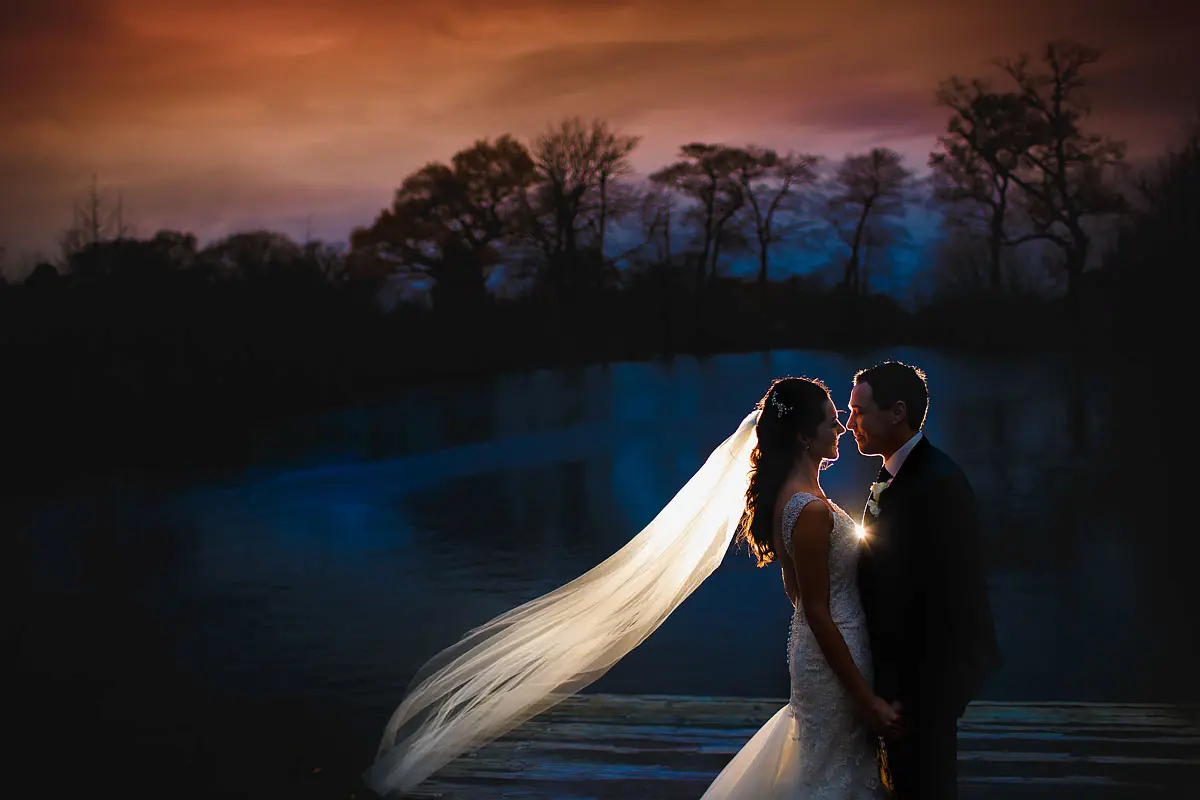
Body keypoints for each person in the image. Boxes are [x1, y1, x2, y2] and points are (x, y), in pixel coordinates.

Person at [698, 376, 895, 799]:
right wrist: (867, 699)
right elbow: (815, 610)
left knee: (829, 770)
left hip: (824, 651)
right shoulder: (808, 510)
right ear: (805, 436)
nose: (841, 429)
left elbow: (797, 593)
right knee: (832, 778)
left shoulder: (793, 497)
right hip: (833, 658)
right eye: (831, 422)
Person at [848, 361, 1001, 799]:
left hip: (924, 693)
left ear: (897, 413)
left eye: (859, 410)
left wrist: (908, 702)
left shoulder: (939, 484)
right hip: (896, 687)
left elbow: (951, 603)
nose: (850, 422)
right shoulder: (897, 474)